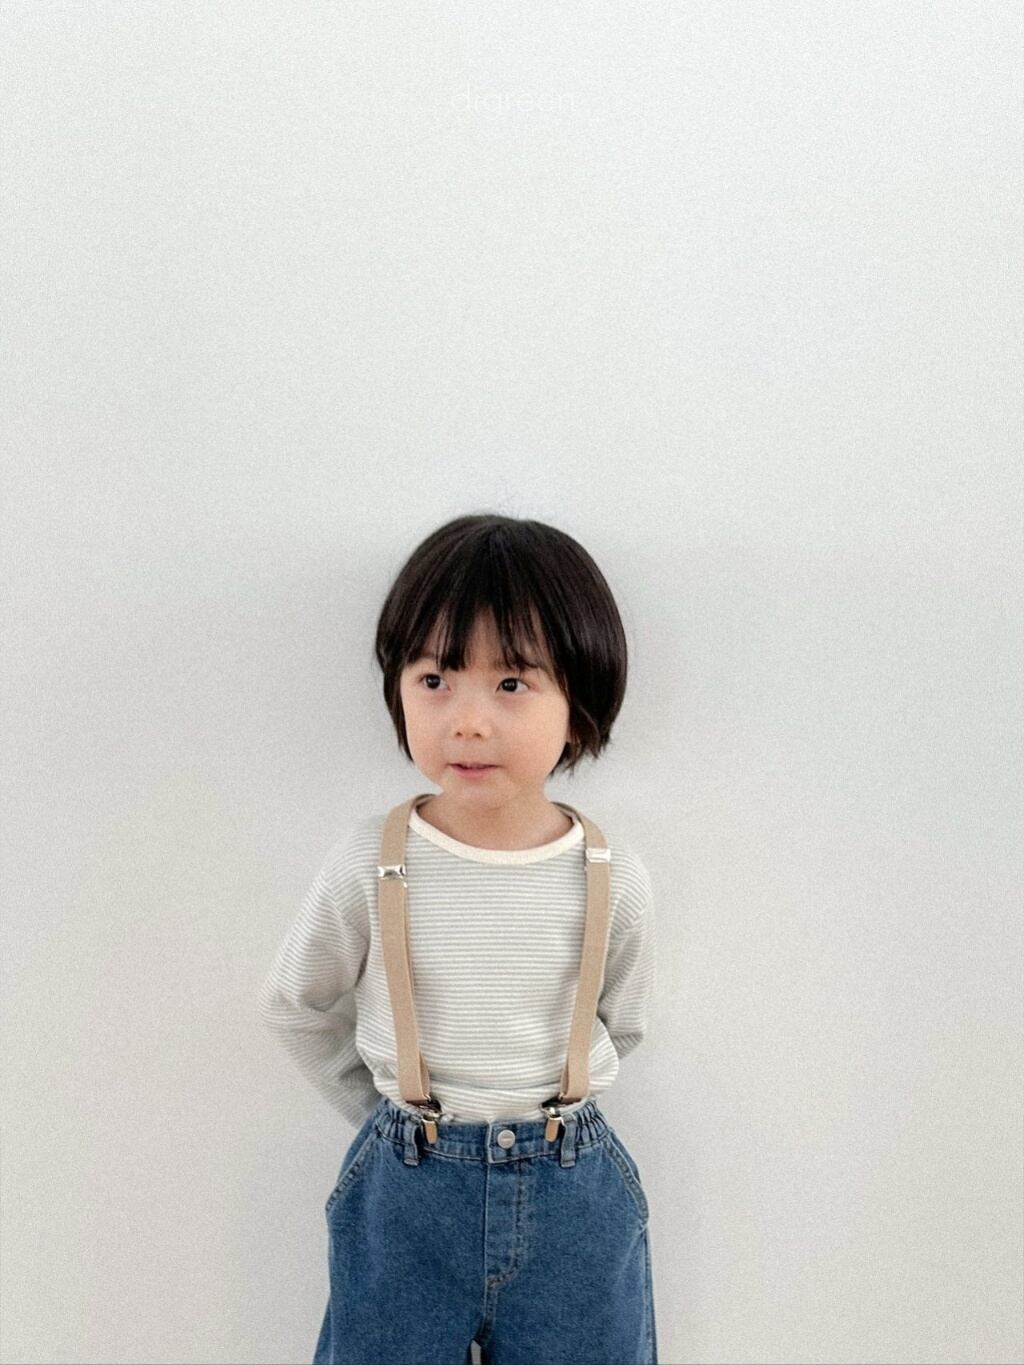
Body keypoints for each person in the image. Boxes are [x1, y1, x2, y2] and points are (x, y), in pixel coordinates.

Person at [258, 513, 658, 1364]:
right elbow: (297, 1004)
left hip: (573, 1200)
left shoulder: (609, 873)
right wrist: (385, 1116)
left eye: (511, 682)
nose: (467, 720)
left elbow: (622, 1022)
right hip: (406, 1200)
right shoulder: (372, 860)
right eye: (435, 678)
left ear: (578, 703)